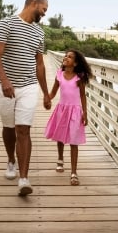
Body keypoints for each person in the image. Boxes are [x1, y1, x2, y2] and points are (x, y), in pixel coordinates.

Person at [0, 0, 51, 196]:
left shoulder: (39, 32)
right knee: (9, 127)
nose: (44, 14)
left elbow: (40, 64)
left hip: (28, 86)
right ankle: (10, 160)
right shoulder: (6, 23)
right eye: (43, 9)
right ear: (33, 4)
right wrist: (6, 81)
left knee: (23, 130)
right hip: (4, 86)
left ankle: (24, 178)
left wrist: (45, 93)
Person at [44, 49, 92, 186]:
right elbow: (53, 91)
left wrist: (85, 113)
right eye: (66, 55)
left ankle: (74, 172)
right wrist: (47, 98)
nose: (66, 57)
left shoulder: (79, 77)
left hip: (75, 111)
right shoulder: (59, 74)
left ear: (75, 63)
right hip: (62, 109)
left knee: (73, 141)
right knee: (60, 136)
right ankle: (60, 158)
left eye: (70, 57)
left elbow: (82, 95)